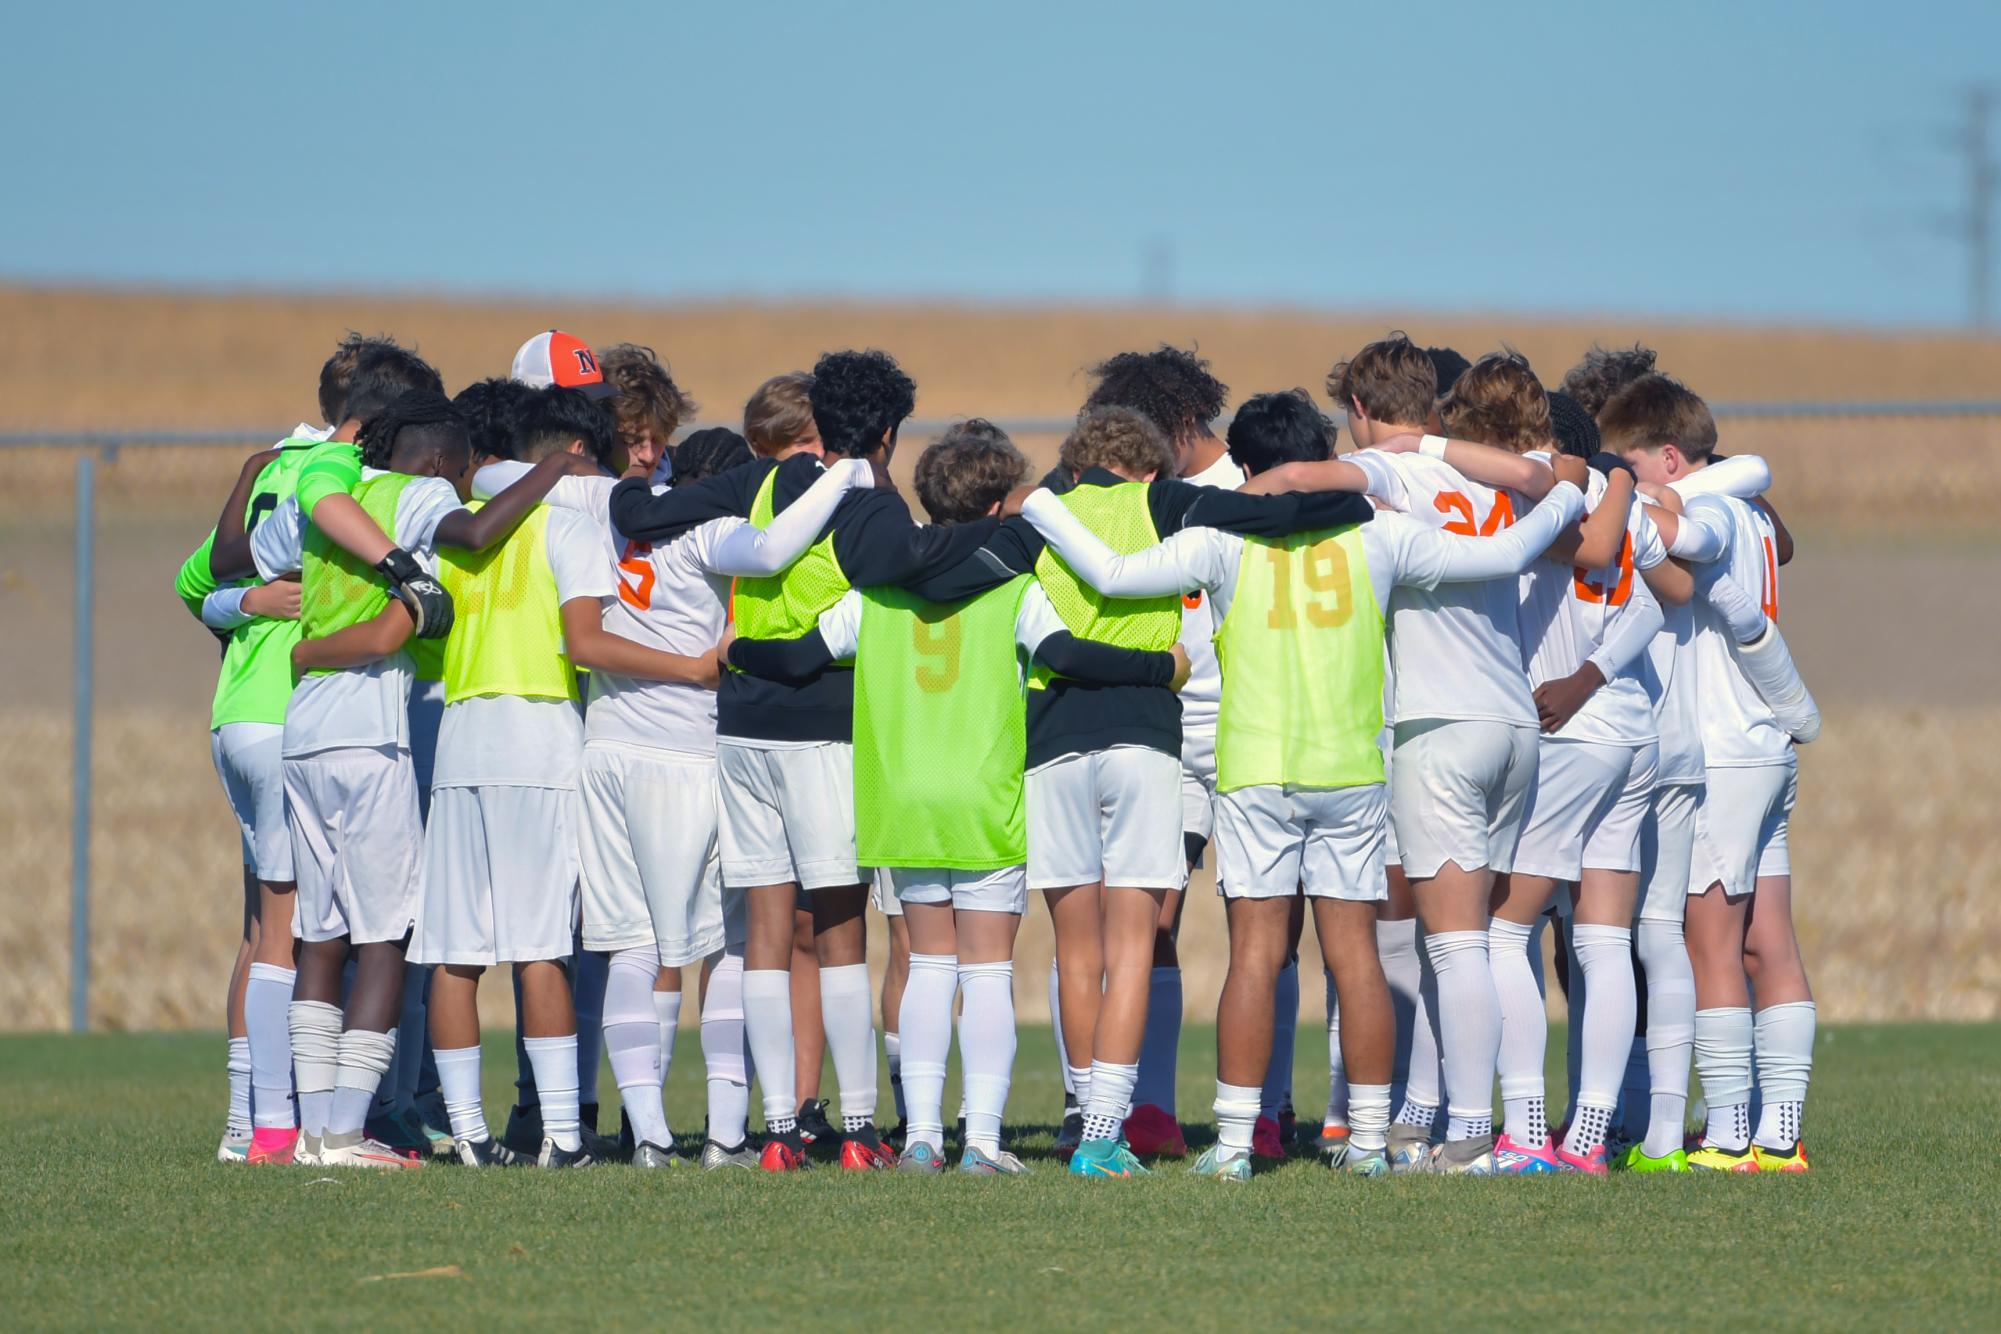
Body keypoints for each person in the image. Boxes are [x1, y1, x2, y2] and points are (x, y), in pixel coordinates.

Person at [1023, 389, 1591, 1179]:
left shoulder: (1217, 538)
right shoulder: (1381, 536)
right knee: (1351, 954)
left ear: (1249, 471)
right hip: (1350, 769)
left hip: (1255, 769)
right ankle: (1363, 1141)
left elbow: (1114, 577)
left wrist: (1042, 508)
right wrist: (1566, 489)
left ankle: (1231, 1142)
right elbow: (1502, 555)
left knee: (1254, 954)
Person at [732, 422, 1190, 1175]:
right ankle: (981, 1140)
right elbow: (1068, 656)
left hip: (899, 797)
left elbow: (798, 656)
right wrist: (1161, 667)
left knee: (927, 965)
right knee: (984, 972)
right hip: (982, 797)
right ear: (1000, 503)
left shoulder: (873, 592)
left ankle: (918, 1137)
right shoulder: (1014, 586)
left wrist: (735, 653)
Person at [606, 349, 999, 1171]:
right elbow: (918, 572)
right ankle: (858, 1131)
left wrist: (634, 483)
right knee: (842, 935)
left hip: (743, 727)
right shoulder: (867, 504)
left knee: (768, 935)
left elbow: (641, 515)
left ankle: (777, 1132)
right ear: (886, 432)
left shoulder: (755, 482)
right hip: (826, 730)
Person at [1245, 341, 1623, 1174]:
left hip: (1436, 728)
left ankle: (1468, 1133)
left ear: (1358, 408)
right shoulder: (1492, 471)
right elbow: (1547, 478)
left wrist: (1250, 494)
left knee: (1455, 948)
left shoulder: (1394, 472)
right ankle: (1475, 1124)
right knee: (1490, 941)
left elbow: (1315, 480)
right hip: (1512, 728)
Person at [408, 386, 679, 1168]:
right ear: (573, 456)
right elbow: (586, 644)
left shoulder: (456, 533)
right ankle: (562, 1134)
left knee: (454, 952)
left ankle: (467, 1135)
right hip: (540, 745)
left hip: (462, 740)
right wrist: (690, 670)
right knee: (541, 949)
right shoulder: (567, 525)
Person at [1601, 373, 1821, 1172]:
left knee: (1710, 943)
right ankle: (1780, 1133)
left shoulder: (1720, 510)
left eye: (1631, 463)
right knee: (1771, 941)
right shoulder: (1753, 510)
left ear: (1667, 456)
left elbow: (1680, 540)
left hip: (1726, 754)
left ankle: (1730, 1134)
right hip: (1764, 748)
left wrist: (1623, 500)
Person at [171, 334, 372, 1163]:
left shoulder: (268, 462)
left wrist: (244, 599)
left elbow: (192, 583)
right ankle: (271, 1127)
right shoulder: (339, 476)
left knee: (261, 926)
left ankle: (241, 1123)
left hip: (237, 713)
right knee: (297, 929)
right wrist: (261, 597)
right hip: (296, 716)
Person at [1079, 346, 1238, 1158]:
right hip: (1167, 735)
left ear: (1179, 426)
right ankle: (1147, 1110)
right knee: (1150, 916)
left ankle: (1268, 1113)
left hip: (1249, 734)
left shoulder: (1246, 491)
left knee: (1260, 924)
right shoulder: (1130, 499)